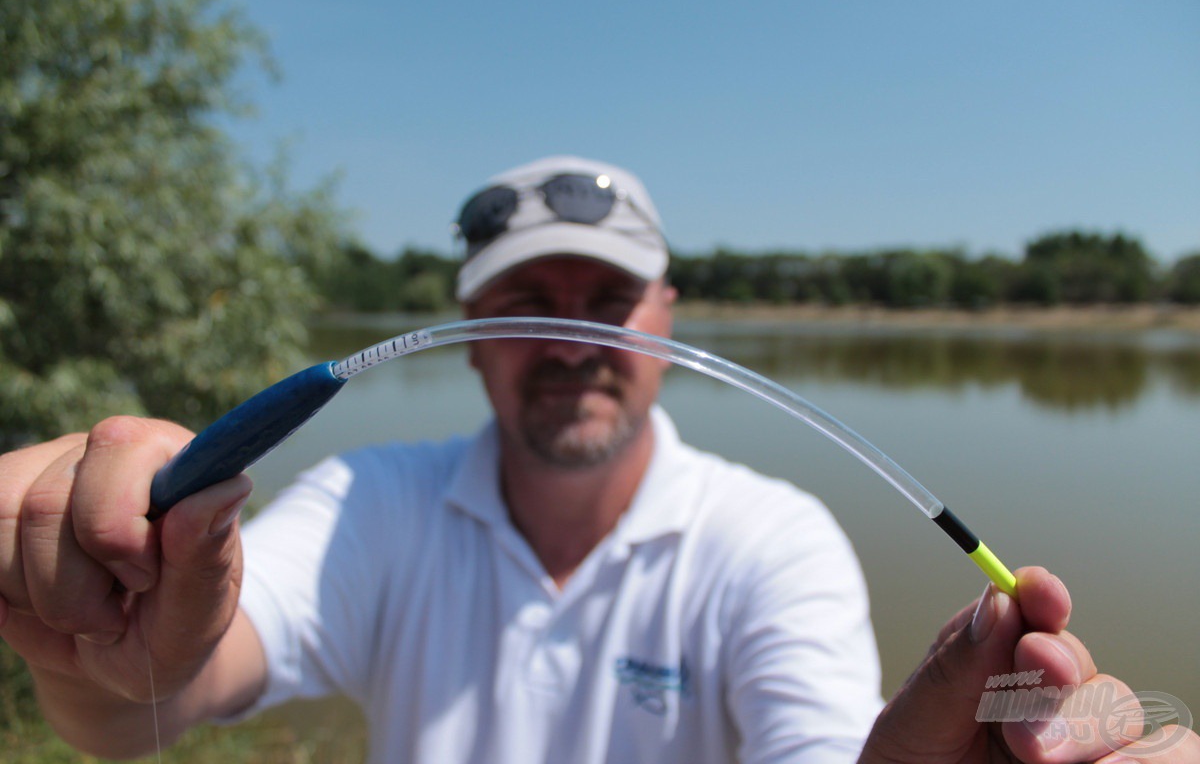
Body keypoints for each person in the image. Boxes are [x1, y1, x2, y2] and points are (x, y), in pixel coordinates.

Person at [0, 155, 1195, 764]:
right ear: (466, 336)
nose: (571, 337)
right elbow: (154, 701)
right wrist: (104, 634)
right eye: (528, 302)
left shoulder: (770, 539)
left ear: (669, 320)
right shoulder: (374, 500)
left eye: (607, 299)